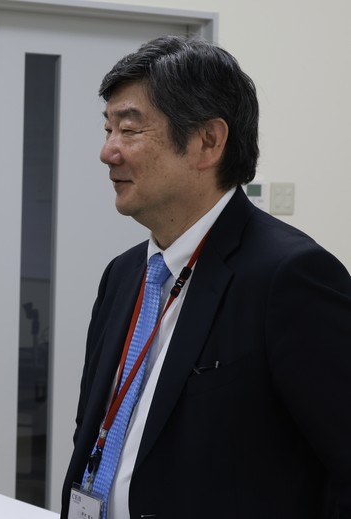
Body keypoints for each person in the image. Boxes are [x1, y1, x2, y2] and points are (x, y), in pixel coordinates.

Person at [61, 35, 351, 519]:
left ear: (208, 142)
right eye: (107, 129)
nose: (108, 152)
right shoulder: (124, 274)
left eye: (129, 130)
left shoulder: (289, 277)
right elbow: (95, 428)